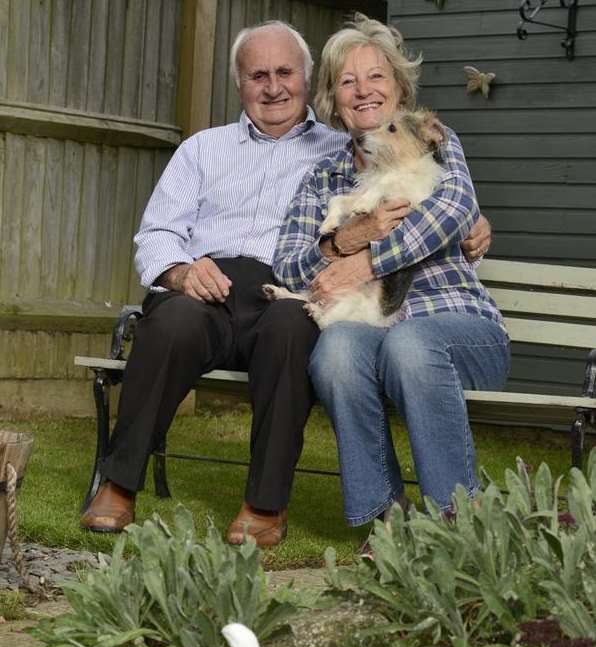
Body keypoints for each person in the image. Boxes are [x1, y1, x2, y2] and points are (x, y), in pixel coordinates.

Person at [81, 18, 491, 547]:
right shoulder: (204, 150)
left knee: (291, 331)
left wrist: (466, 222)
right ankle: (119, 483)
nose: (272, 87)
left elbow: (436, 193)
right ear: (239, 84)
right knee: (171, 323)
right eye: (258, 76)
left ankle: (264, 504)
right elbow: (157, 232)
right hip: (209, 283)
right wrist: (181, 272)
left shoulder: (337, 150)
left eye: (284, 72)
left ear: (304, 80)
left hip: (284, 291)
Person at [272, 14, 509, 550]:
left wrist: (367, 260)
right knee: (333, 351)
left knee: (410, 342)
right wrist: (344, 240)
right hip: (372, 325)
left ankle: (458, 523)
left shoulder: (435, 143)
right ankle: (387, 516)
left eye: (375, 77)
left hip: (458, 326)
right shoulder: (324, 177)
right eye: (347, 81)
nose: (363, 91)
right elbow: (289, 264)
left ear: (399, 87)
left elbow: (454, 209)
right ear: (335, 98)